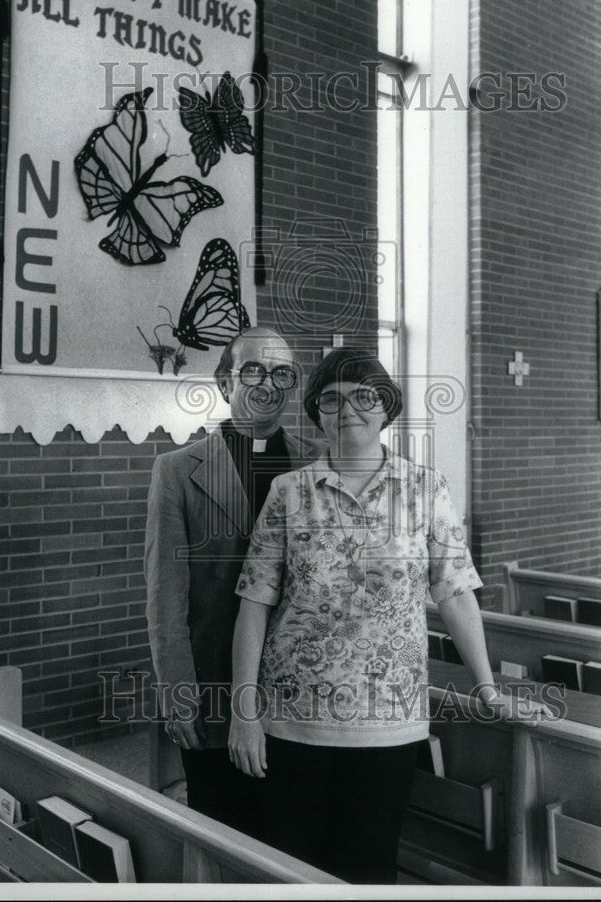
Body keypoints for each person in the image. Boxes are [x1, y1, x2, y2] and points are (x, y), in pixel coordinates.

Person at [228, 348, 513, 883]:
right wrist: (244, 713)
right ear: (316, 413)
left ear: (386, 407)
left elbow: (455, 594)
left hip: (388, 723)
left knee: (368, 868)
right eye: (331, 399)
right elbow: (254, 603)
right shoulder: (289, 492)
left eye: (365, 396)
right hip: (293, 721)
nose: (349, 409)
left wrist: (486, 685)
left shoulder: (427, 489)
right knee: (289, 869)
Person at [144, 327, 321, 835]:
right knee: (224, 828)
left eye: (282, 373)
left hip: (302, 684)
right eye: (253, 370)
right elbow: (164, 596)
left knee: (291, 831)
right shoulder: (177, 470)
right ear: (225, 382)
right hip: (216, 678)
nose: (269, 384)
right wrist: (179, 692)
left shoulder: (318, 461)